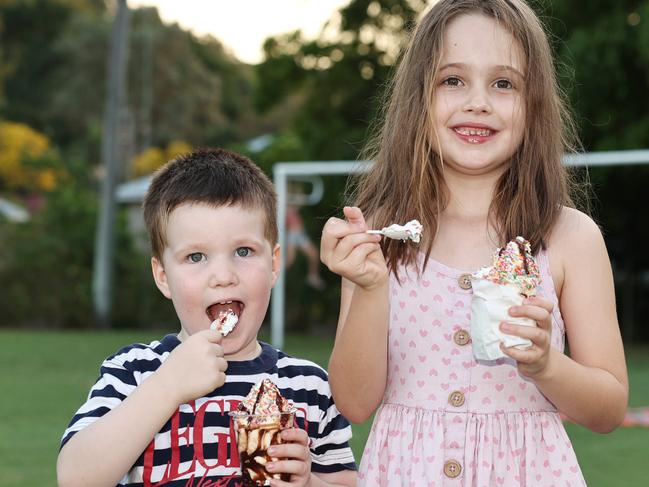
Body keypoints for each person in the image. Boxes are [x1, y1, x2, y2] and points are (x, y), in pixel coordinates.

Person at [320, 1, 628, 485]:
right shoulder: (380, 234)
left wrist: (547, 365)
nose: (477, 102)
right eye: (452, 80)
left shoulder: (571, 237)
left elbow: (609, 408)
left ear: (535, 104)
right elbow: (355, 402)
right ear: (418, 97)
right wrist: (369, 286)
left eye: (503, 83)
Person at [57, 148, 357, 487]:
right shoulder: (135, 372)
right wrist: (167, 385)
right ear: (163, 277)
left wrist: (308, 482)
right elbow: (75, 477)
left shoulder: (309, 386)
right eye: (196, 256)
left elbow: (347, 481)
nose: (223, 275)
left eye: (243, 251)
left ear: (274, 264)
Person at [286, 203, 326, 290]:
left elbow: (298, 204)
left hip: (300, 233)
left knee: (314, 254)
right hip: (292, 233)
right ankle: (273, 275)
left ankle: (312, 276)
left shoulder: (289, 200)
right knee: (290, 259)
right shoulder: (280, 202)